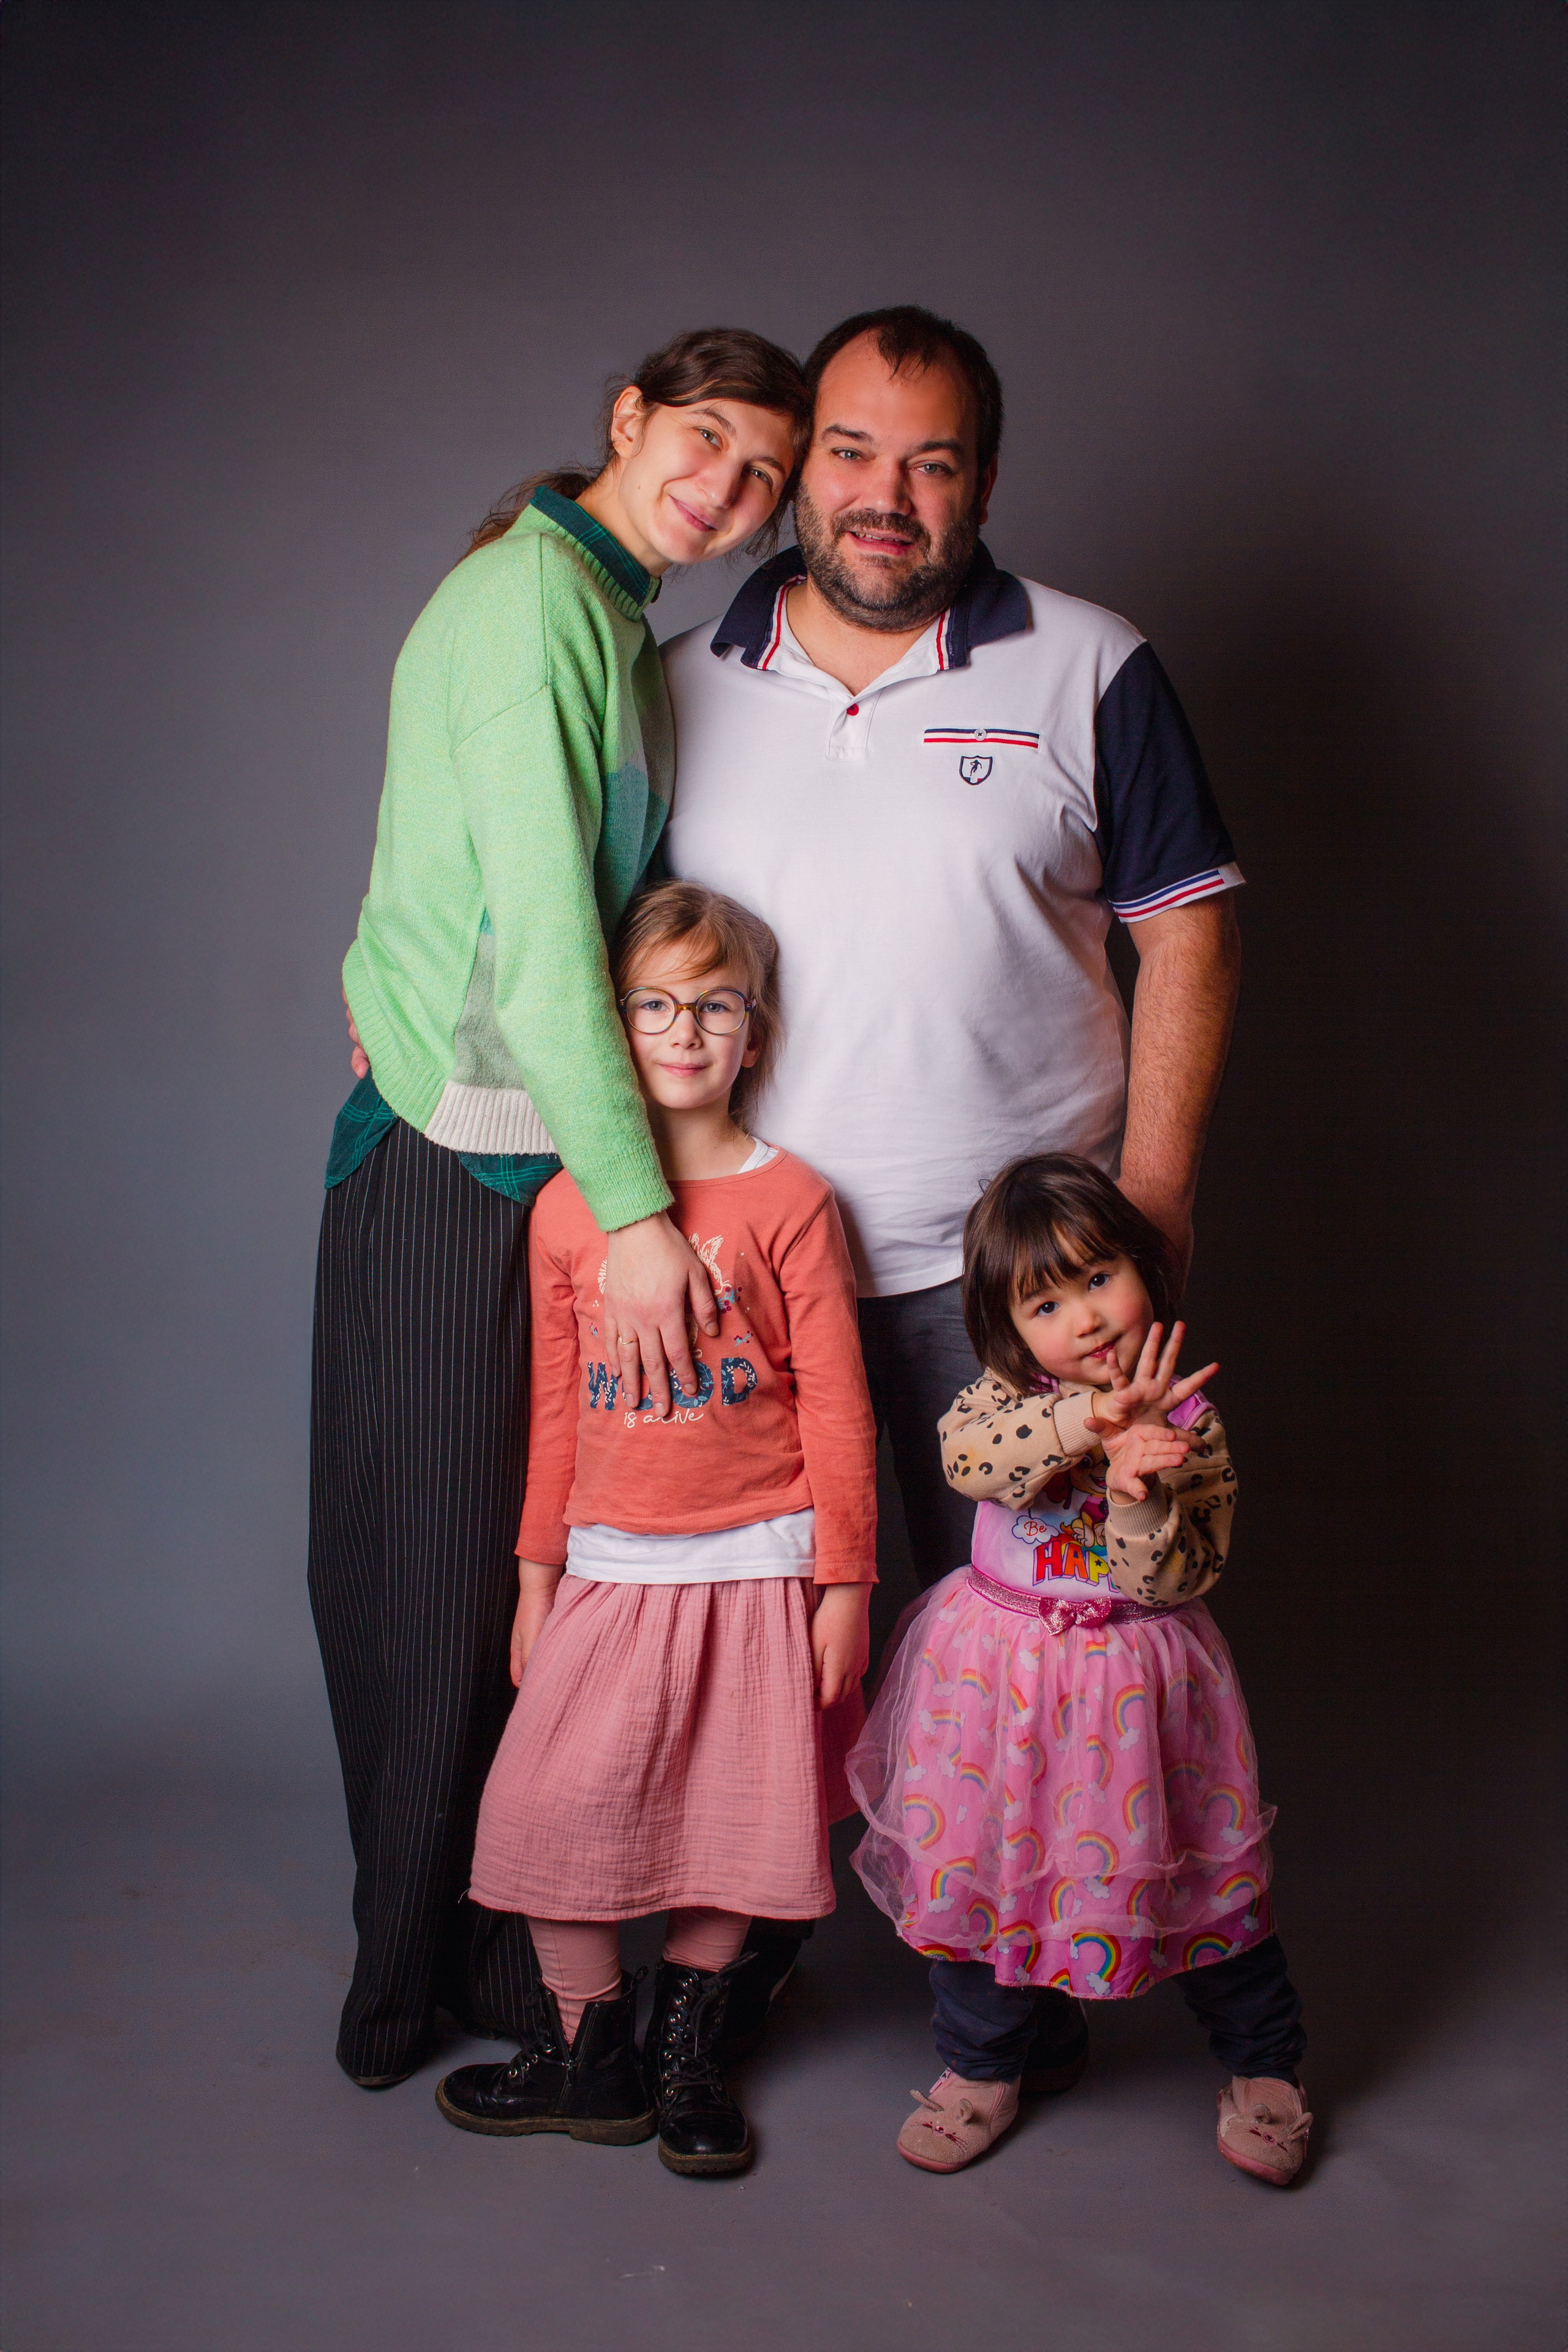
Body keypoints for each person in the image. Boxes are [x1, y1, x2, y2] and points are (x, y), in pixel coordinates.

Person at [660, 301, 1245, 2024]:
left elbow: (1191, 938)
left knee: (1056, 1657)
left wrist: (1156, 1210)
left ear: (986, 477)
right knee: (751, 1662)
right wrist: (401, 1000)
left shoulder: (1090, 663)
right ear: (798, 468)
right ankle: (728, 1985)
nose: (884, 495)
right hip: (744, 1282)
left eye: (931, 460)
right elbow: (571, 926)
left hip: (1003, 1298)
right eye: (849, 451)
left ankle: (1039, 2007)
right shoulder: (680, 686)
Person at [312, 331, 810, 2088]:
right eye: (703, 444)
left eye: (763, 474)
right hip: (460, 1164)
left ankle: (530, 1980)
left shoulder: (610, 622)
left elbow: (506, 886)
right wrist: (645, 1216)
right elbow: (529, 941)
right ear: (627, 421)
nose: (728, 493)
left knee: (530, 1582)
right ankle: (406, 1994)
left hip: (546, 1163)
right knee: (425, 1583)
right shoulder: (534, 599)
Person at [432, 883, 876, 2175]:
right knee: (544, 1807)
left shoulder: (791, 1198)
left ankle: (688, 2053)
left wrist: (841, 1583)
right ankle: (594, 2055)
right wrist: (534, 1576)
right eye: (653, 1006)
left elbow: (840, 1412)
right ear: (610, 1028)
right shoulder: (570, 1210)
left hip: (760, 1562)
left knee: (735, 1820)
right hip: (613, 1566)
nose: (684, 1031)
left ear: (755, 1032)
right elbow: (556, 1412)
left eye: (715, 1006)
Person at [847, 1154, 1309, 2184]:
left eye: (1100, 1278)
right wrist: (1088, 1424)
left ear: (1144, 1271)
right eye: (1046, 1302)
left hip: (1136, 1693)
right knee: (986, 1870)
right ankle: (981, 2066)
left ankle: (1263, 2064)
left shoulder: (1192, 1421)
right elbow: (973, 1465)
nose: (1086, 1318)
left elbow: (1177, 1574)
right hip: (995, 1685)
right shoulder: (998, 1400)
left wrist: (1142, 1487)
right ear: (1010, 1331)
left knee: (1193, 1875)